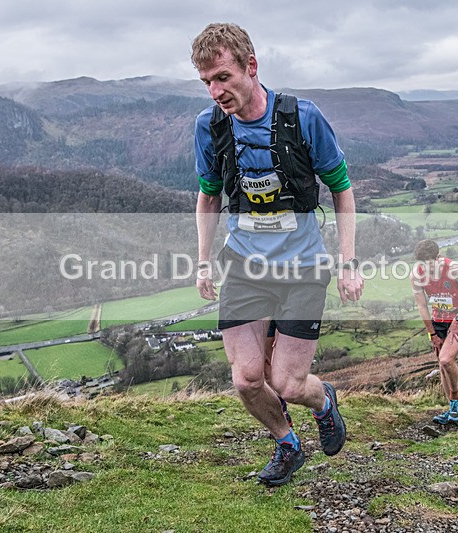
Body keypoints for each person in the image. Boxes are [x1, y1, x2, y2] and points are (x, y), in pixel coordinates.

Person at [191, 23, 363, 486]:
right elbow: (208, 196)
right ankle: (288, 444)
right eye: (207, 82)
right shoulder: (209, 127)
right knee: (247, 379)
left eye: (223, 77)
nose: (216, 91)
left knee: (287, 382)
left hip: (303, 266)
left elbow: (342, 188)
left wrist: (348, 262)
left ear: (251, 66)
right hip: (244, 266)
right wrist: (204, 261)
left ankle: (323, 400)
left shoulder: (302, 118)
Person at [411, 239, 458, 424]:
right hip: (438, 320)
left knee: (446, 359)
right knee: (442, 365)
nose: (426, 268)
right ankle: (452, 409)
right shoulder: (416, 275)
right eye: (422, 264)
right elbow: (422, 305)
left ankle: (455, 401)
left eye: (429, 264)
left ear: (438, 257)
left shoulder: (453, 269)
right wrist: (432, 333)